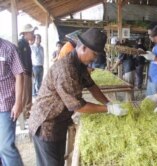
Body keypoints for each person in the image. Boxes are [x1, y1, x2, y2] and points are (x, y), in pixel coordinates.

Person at [28, 28, 127, 166]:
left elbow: (91, 86)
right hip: (47, 124)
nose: (95, 58)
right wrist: (108, 109)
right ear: (83, 48)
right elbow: (78, 106)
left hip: (60, 121)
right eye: (94, 54)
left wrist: (108, 102)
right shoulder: (66, 69)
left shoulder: (80, 64)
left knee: (57, 161)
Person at [0, 38, 24, 166]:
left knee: (5, 147)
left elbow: (19, 75)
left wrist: (18, 102)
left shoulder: (8, 48)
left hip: (6, 104)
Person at [18, 24, 37, 119]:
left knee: (29, 93)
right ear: (25, 33)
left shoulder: (27, 44)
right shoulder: (20, 43)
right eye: (31, 33)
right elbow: (18, 59)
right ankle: (24, 113)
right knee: (25, 94)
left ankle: (27, 111)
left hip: (28, 72)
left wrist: (31, 70)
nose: (33, 34)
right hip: (24, 73)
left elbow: (28, 59)